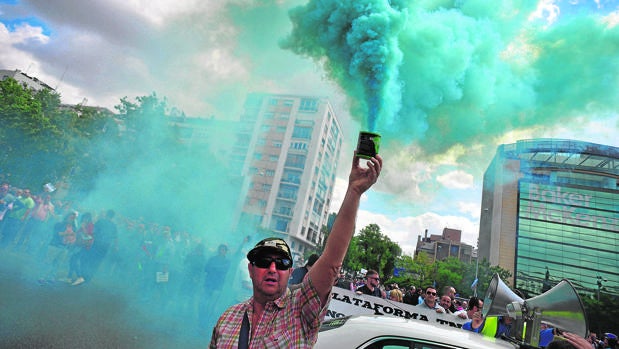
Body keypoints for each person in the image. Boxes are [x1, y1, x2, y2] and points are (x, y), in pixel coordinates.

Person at [209, 151, 382, 348]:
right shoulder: (227, 320)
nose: (273, 268)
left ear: (290, 272)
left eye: (282, 264)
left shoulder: (301, 311)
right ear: (251, 269)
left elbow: (331, 261)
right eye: (264, 262)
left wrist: (354, 192)